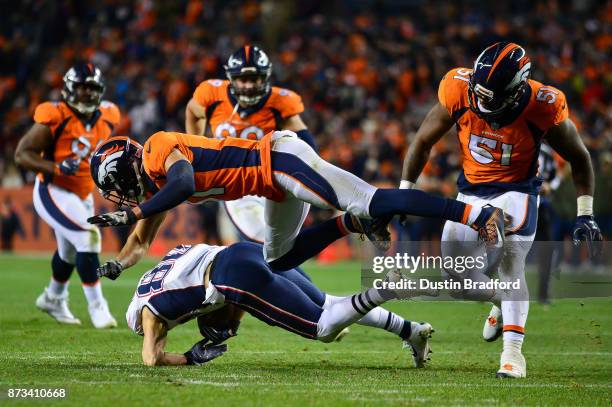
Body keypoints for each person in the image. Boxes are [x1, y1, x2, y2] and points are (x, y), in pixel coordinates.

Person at [395, 42, 602, 378]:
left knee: (510, 263)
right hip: (471, 192)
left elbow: (579, 157)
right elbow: (422, 141)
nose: (484, 103)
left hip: (517, 190)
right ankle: (500, 303)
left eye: (493, 96)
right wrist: (405, 191)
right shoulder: (458, 88)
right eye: (480, 94)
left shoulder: (542, 104)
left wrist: (585, 212)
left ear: (517, 89)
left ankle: (513, 353)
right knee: (455, 276)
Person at [86, 130, 505, 280]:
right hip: (272, 185)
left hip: (278, 159)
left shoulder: (157, 150)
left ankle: (476, 214)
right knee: (280, 259)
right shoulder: (157, 190)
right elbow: (140, 242)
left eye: (117, 187)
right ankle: (351, 226)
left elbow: (184, 180)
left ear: (123, 168)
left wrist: (135, 211)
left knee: (371, 200)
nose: (122, 196)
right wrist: (117, 265)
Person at [125, 241, 434, 367]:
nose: (237, 324)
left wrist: (190, 359)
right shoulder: (160, 279)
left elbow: (151, 357)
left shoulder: (150, 314)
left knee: (323, 327)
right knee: (329, 303)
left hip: (232, 275)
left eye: (230, 325)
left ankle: (385, 290)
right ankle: (411, 330)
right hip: (246, 250)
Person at [14, 62, 120, 328]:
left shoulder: (108, 115)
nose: (87, 93)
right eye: (82, 87)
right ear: (70, 88)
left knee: (70, 253)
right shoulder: (55, 114)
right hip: (53, 188)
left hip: (82, 192)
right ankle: (97, 307)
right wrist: (56, 167)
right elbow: (22, 154)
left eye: (92, 88)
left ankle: (53, 297)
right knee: (88, 237)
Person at [185, 45, 316, 243]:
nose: (247, 85)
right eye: (242, 79)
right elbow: (193, 111)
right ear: (231, 78)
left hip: (265, 180)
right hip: (227, 178)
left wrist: (312, 171)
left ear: (265, 77)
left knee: (265, 241)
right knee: (235, 239)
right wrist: (195, 147)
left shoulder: (280, 102)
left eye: (253, 79)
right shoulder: (212, 94)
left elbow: (304, 139)